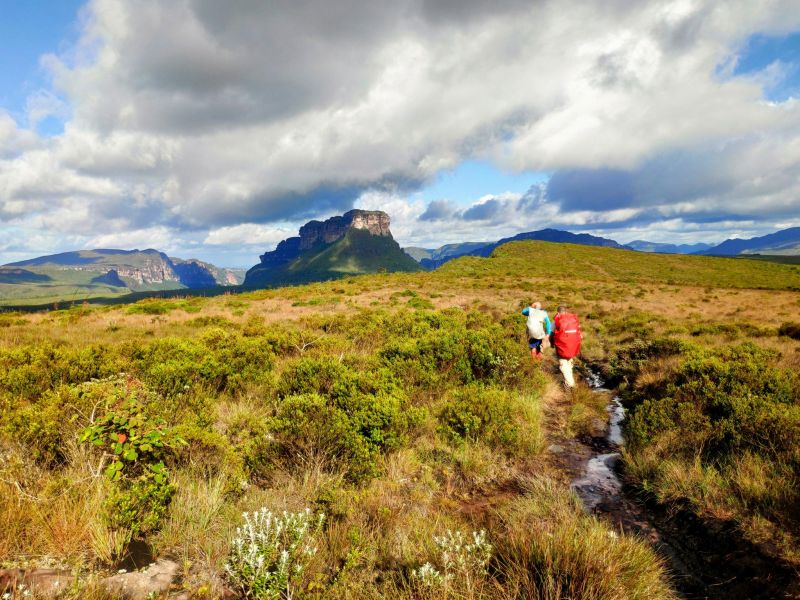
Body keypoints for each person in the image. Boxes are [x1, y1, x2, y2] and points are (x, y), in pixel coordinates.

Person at [552, 305, 582, 388]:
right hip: (573, 346)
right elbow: (579, 334)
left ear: (558, 312)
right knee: (569, 363)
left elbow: (551, 333)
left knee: (563, 364)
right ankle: (569, 382)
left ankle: (571, 385)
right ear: (566, 311)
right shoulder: (573, 320)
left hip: (562, 346)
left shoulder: (557, 320)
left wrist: (551, 343)